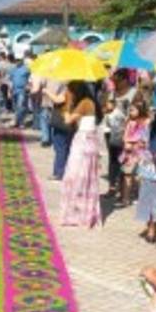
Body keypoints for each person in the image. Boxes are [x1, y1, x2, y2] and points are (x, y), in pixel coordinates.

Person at [59, 80, 102, 228]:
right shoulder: (88, 102)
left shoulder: (85, 103)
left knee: (75, 176)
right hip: (88, 140)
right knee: (83, 177)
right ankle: (80, 212)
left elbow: (68, 120)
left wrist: (66, 106)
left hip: (83, 141)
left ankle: (77, 213)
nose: (67, 93)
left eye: (69, 90)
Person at [136, 106, 156, 245]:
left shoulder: (149, 127)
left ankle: (151, 230)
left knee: (149, 201)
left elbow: (141, 146)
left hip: (148, 169)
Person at [120, 100, 149, 206]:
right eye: (130, 110)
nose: (130, 112)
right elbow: (124, 136)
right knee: (127, 175)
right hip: (129, 153)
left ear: (140, 110)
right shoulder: (129, 122)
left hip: (141, 153)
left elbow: (145, 139)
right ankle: (125, 198)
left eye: (132, 110)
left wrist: (135, 143)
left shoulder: (146, 123)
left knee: (139, 177)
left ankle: (140, 197)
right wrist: (126, 142)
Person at [47, 86, 74, 180]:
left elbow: (57, 100)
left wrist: (46, 91)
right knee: (66, 148)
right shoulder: (80, 93)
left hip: (62, 123)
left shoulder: (68, 92)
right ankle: (65, 170)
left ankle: (59, 172)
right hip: (70, 124)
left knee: (60, 149)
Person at [10, 57, 31, 128]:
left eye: (18, 60)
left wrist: (28, 85)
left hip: (22, 91)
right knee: (16, 107)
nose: (17, 62)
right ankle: (17, 121)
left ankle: (21, 122)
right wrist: (9, 90)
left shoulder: (26, 69)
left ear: (21, 61)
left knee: (21, 106)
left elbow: (30, 78)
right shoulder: (13, 70)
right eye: (16, 60)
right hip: (14, 90)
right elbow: (11, 80)